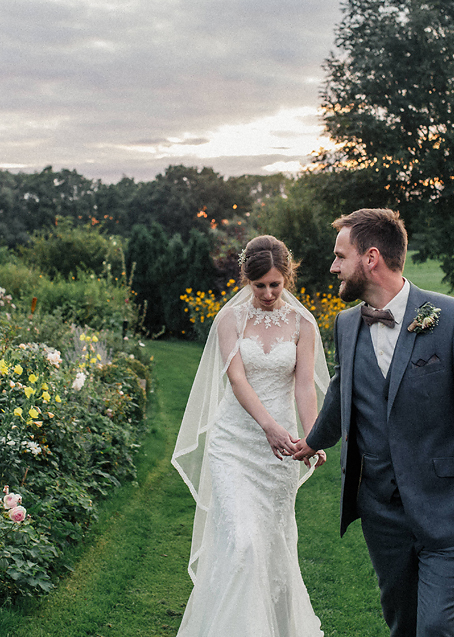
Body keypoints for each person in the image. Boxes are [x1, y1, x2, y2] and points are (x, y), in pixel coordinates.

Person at [293, 208, 454, 637]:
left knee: (434, 628)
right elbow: (343, 391)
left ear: (371, 258)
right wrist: (312, 440)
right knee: (404, 625)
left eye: (341, 256)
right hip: (382, 514)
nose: (333, 266)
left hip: (448, 508)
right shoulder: (345, 324)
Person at [172, 235, 330, 637]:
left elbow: (304, 387)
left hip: (278, 455)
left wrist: (311, 437)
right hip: (234, 443)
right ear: (246, 279)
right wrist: (269, 426)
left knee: (272, 545)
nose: (267, 292)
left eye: (275, 284)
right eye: (259, 285)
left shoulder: (302, 324)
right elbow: (237, 379)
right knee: (241, 542)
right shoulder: (231, 320)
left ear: (287, 278)